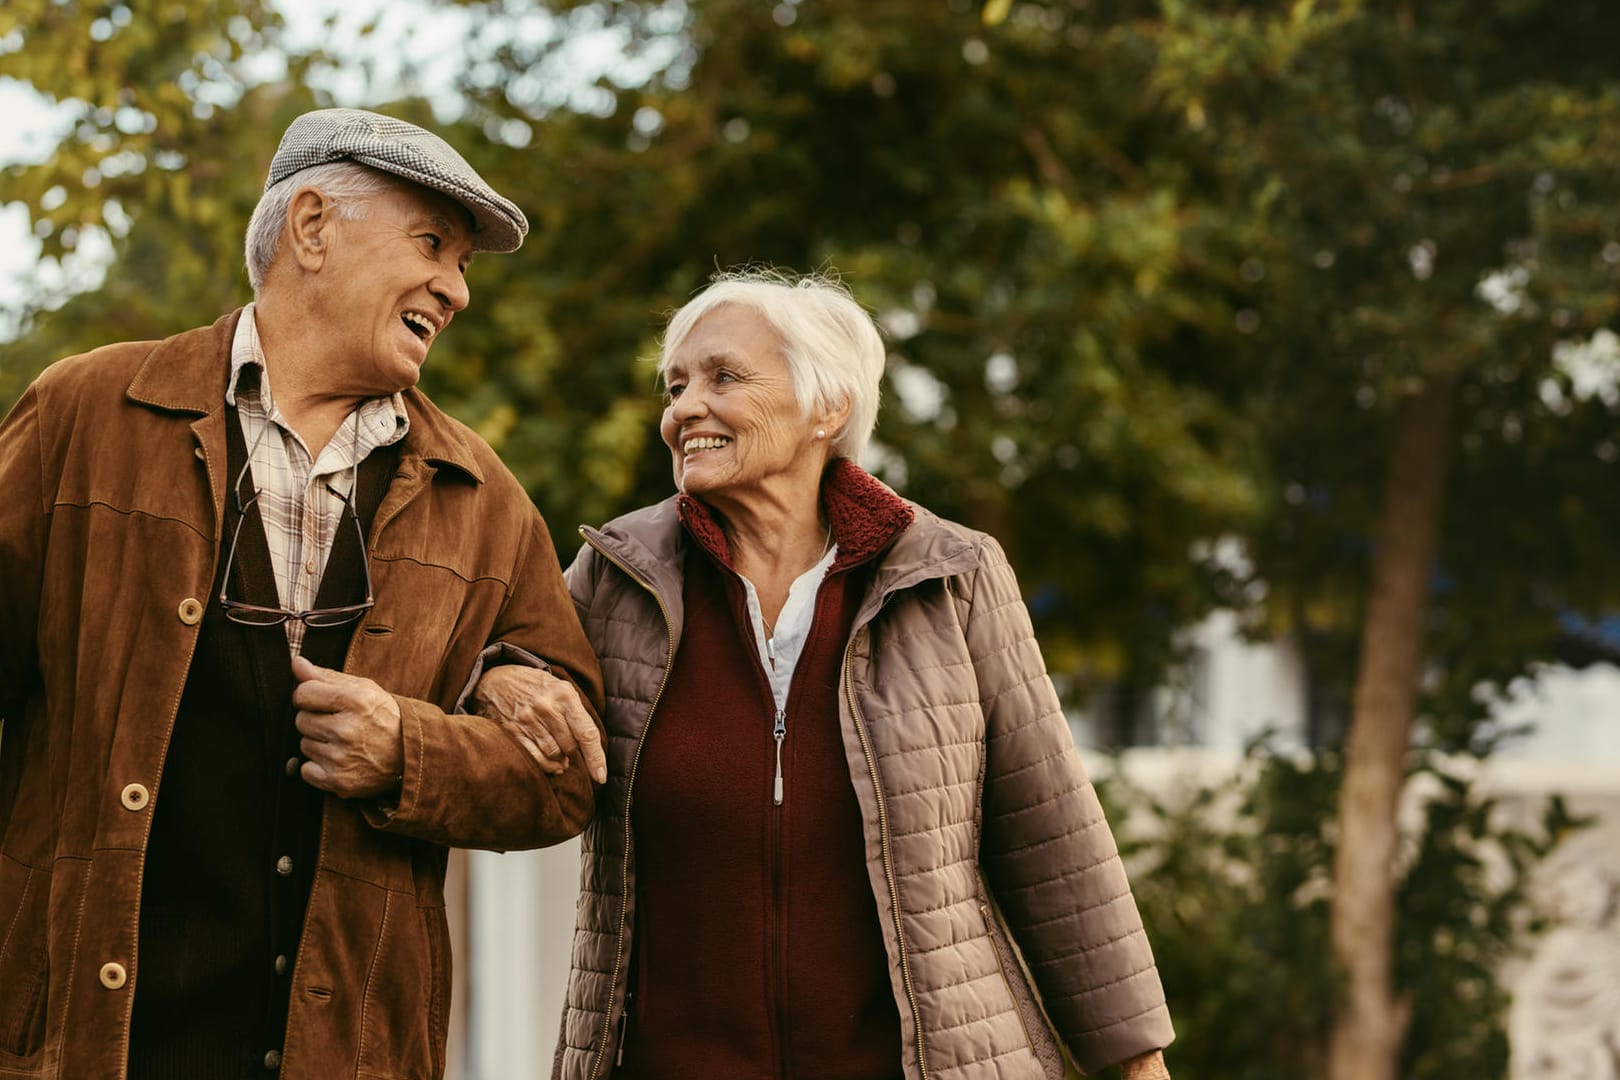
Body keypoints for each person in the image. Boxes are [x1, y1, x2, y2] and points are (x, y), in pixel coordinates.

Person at [0, 108, 607, 1080]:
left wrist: (412, 752)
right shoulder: (85, 414)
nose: (454, 289)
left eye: (462, 267)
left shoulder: (484, 503)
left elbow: (567, 777)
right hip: (81, 1048)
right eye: (432, 246)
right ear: (313, 227)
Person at [478, 269, 1174, 1078]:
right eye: (675, 386)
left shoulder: (951, 577)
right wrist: (495, 678)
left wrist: (1134, 1062)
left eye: (724, 377)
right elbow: (505, 672)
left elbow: (1051, 835)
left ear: (827, 408)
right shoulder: (616, 578)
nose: (683, 410)